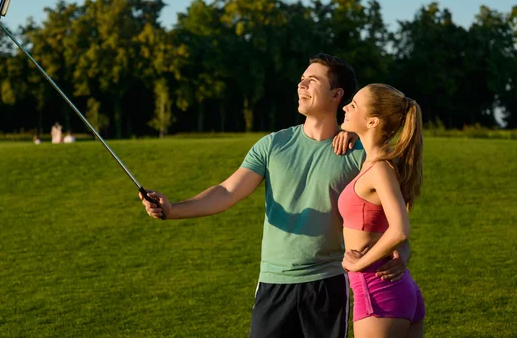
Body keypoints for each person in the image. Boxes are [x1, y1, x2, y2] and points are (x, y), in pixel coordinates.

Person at [140, 54, 409, 338]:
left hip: (327, 284)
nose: (301, 85)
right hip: (273, 283)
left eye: (312, 80)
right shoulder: (272, 145)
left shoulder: (359, 154)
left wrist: (403, 251)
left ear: (336, 94)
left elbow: (391, 215)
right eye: (301, 79)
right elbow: (227, 191)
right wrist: (172, 209)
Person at [338, 83, 424, 338]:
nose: (345, 106)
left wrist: (358, 264)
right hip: (395, 291)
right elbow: (389, 227)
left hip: (379, 292)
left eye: (353, 105)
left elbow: (399, 230)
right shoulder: (378, 164)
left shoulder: (379, 169)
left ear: (373, 121)